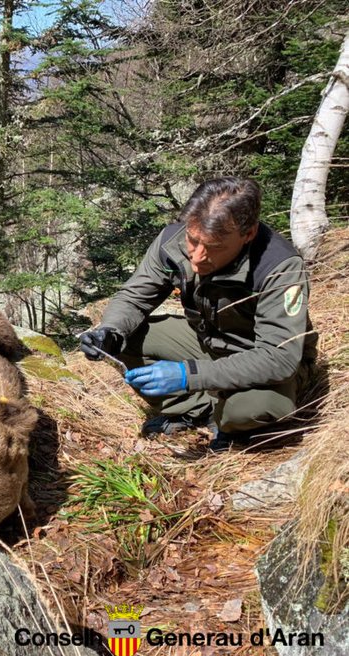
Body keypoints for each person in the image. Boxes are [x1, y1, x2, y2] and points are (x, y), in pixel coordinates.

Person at [80, 177, 316, 454]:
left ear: (248, 234)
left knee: (251, 410)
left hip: (260, 358)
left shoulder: (279, 266)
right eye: (193, 240)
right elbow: (133, 297)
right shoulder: (172, 241)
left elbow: (278, 358)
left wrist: (187, 375)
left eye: (215, 247)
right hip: (209, 341)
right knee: (125, 340)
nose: (198, 257)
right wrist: (109, 331)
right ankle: (198, 411)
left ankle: (228, 423)